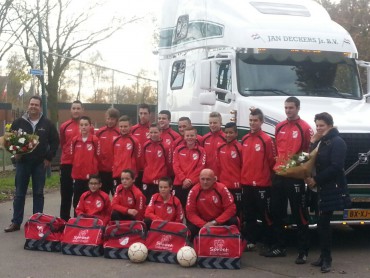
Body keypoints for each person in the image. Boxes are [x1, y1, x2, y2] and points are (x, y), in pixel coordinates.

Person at [266, 97, 313, 264]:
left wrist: (289, 166)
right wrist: (279, 168)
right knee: (276, 211)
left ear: (298, 108)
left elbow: (307, 152)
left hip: (293, 176)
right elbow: (277, 149)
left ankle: (303, 251)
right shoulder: (279, 126)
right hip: (279, 176)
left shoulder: (305, 127)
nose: (288, 110)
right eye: (286, 108)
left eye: (291, 108)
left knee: (298, 212)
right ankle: (279, 246)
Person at [4, 96, 59, 232]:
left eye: (36, 105)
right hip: (22, 163)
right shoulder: (18, 122)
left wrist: (48, 158)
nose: (33, 106)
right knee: (19, 194)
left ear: (40, 107)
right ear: (28, 106)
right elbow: (10, 140)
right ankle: (16, 222)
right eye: (31, 104)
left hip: (39, 164)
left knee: (38, 194)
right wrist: (14, 153)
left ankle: (37, 222)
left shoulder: (47, 124)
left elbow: (55, 142)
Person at [305, 112, 349, 273]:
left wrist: (317, 180)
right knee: (320, 224)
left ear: (330, 125)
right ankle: (323, 257)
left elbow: (336, 167)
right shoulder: (322, 141)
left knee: (324, 224)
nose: (319, 128)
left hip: (330, 188)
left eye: (321, 125)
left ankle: (327, 259)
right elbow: (309, 159)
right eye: (317, 125)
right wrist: (312, 142)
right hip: (320, 189)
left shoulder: (338, 142)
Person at [240, 108, 276, 251]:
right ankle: (251, 240)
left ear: (261, 122)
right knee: (249, 214)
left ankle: (268, 241)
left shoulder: (266, 139)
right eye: (250, 120)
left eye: (255, 120)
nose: (252, 123)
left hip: (262, 183)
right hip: (246, 183)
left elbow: (272, 161)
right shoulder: (245, 139)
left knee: (265, 214)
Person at [59, 100, 93, 221]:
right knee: (66, 194)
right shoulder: (64, 126)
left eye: (78, 108)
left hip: (82, 166)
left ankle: (79, 219)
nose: (76, 111)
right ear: (70, 110)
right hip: (67, 164)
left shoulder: (89, 127)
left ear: (82, 110)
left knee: (81, 195)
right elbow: (63, 143)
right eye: (74, 108)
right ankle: (64, 220)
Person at [186, 169, 237, 240]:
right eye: (202, 179)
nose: (205, 182)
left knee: (234, 221)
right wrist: (203, 224)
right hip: (203, 222)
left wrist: (216, 222)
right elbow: (190, 213)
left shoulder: (222, 188)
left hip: (219, 221)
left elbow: (231, 208)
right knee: (190, 229)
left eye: (208, 179)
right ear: (199, 179)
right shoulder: (193, 191)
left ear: (214, 179)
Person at [70, 116, 100, 212]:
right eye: (81, 125)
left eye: (86, 125)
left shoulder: (94, 140)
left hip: (90, 177)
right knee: (77, 200)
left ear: (90, 126)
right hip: (78, 176)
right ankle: (77, 220)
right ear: (79, 126)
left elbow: (98, 156)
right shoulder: (75, 140)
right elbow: (72, 156)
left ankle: (90, 220)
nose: (84, 127)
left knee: (90, 199)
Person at [173, 126, 206, 207]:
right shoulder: (178, 149)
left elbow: (200, 168)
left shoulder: (201, 151)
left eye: (192, 135)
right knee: (176, 209)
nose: (189, 138)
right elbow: (175, 165)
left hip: (194, 185)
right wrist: (183, 179)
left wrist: (189, 181)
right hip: (179, 183)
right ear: (184, 137)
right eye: (187, 136)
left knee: (191, 208)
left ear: (196, 136)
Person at [216, 122, 242, 217]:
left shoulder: (239, 148)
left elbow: (243, 166)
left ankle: (238, 230)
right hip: (223, 185)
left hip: (236, 186)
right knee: (223, 210)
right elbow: (218, 165)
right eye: (226, 133)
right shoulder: (220, 147)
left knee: (237, 211)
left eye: (231, 133)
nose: (228, 135)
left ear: (236, 133)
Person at [142, 123, 172, 203]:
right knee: (147, 202)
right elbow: (143, 161)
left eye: (155, 132)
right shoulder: (146, 145)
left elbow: (169, 164)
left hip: (159, 181)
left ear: (160, 132)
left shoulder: (166, 146)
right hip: (147, 180)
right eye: (151, 132)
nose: (153, 134)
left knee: (158, 203)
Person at [96, 108, 120, 195]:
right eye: (108, 119)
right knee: (102, 196)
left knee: (116, 197)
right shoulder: (99, 132)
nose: (110, 121)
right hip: (102, 170)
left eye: (112, 119)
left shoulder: (120, 133)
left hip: (115, 171)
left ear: (116, 120)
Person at [112, 115, 141, 187]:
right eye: (121, 126)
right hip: (117, 174)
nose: (123, 128)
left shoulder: (135, 141)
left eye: (125, 126)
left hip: (129, 176)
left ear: (130, 126)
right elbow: (113, 156)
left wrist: (134, 173)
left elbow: (138, 159)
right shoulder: (115, 141)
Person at [131, 104, 151, 190]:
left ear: (149, 114)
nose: (143, 116)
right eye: (141, 113)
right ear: (138, 114)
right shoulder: (132, 129)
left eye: (145, 113)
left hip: (148, 170)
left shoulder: (153, 130)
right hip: (135, 169)